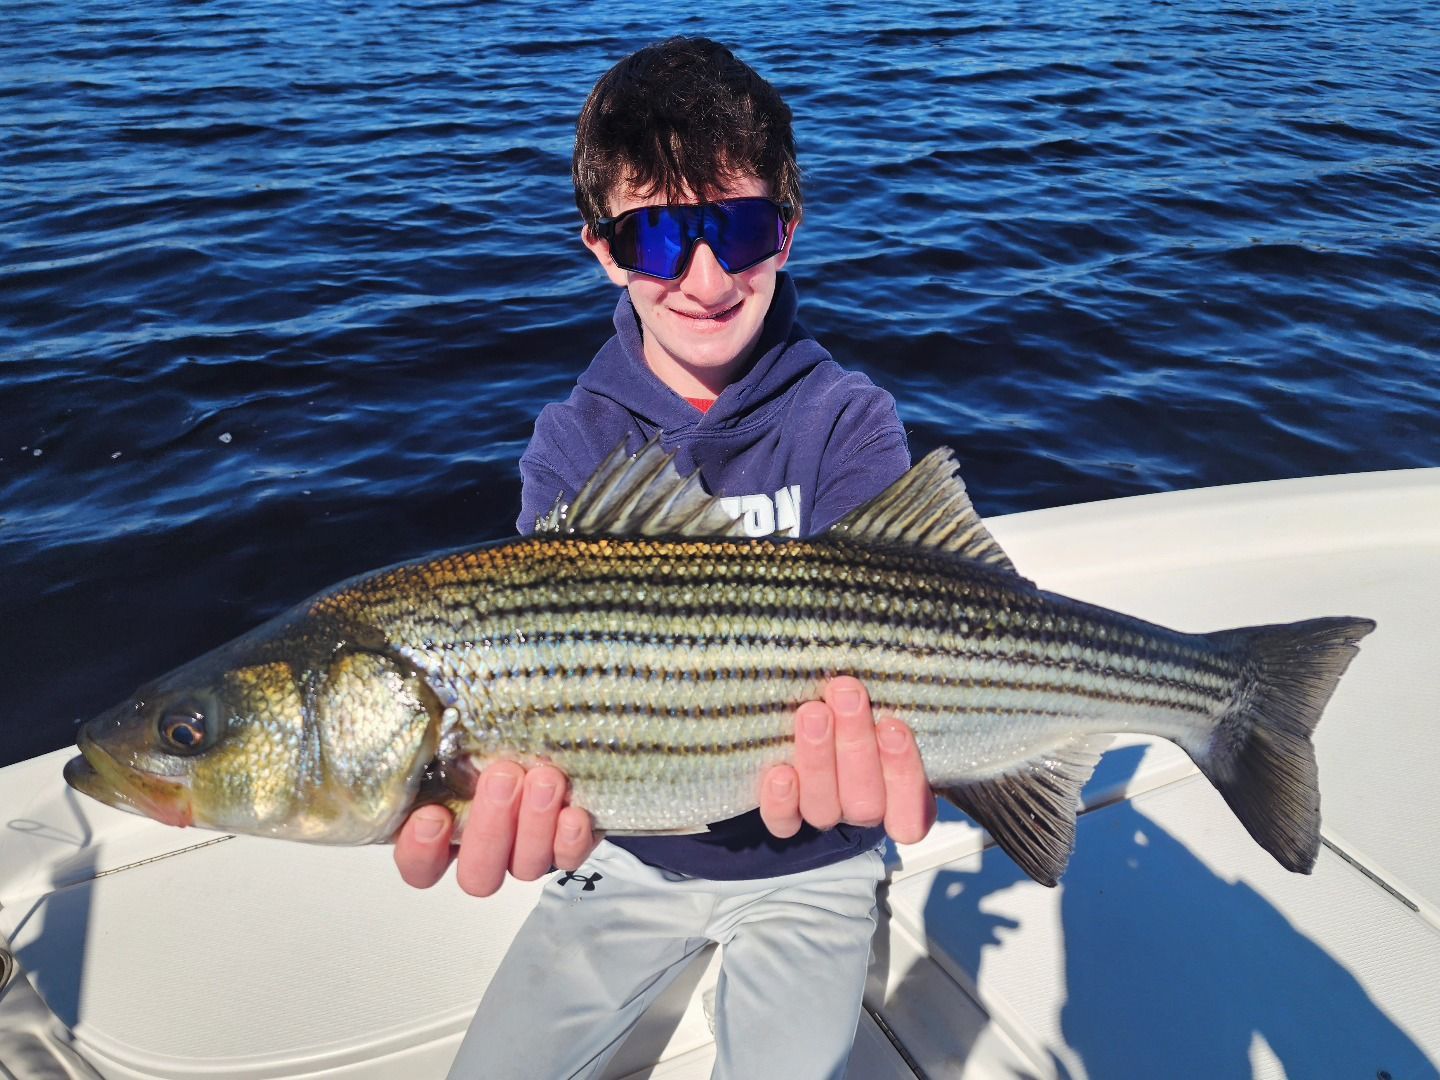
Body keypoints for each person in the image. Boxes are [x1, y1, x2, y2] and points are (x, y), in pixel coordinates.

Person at [394, 37, 938, 1078]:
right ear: (601, 247)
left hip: (818, 858)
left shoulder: (849, 420)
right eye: (654, 239)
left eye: (736, 230)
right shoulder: (570, 443)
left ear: (788, 228)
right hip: (623, 853)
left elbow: (916, 621)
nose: (702, 277)